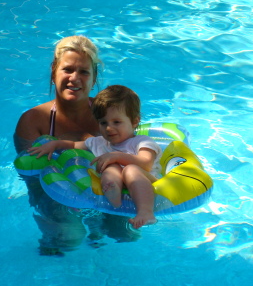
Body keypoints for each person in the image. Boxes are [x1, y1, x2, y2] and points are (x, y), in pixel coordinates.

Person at [14, 36, 139, 256]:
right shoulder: (34, 120)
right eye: (67, 69)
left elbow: (130, 151)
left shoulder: (110, 116)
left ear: (94, 78)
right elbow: (31, 178)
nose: (74, 79)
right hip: (57, 194)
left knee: (126, 234)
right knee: (69, 239)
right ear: (54, 72)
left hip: (107, 187)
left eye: (83, 72)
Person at [30, 85, 161, 229]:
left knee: (130, 169)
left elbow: (146, 163)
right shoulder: (99, 142)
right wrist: (54, 145)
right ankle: (113, 193)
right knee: (110, 166)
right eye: (103, 123)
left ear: (135, 121)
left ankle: (146, 212)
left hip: (143, 181)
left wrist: (116, 156)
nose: (109, 128)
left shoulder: (142, 142)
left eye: (116, 122)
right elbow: (74, 145)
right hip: (115, 182)